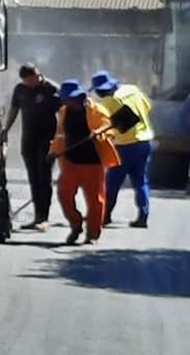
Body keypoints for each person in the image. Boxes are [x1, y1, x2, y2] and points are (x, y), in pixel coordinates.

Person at [48, 79, 121, 245]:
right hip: (70, 162)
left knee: (96, 201)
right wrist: (53, 152)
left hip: (93, 163)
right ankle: (76, 224)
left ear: (76, 97)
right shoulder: (64, 111)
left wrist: (99, 134)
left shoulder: (97, 110)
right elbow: (60, 135)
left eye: (65, 98)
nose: (63, 101)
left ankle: (93, 234)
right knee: (63, 194)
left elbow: (109, 130)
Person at [89, 70, 154, 228]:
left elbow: (103, 124)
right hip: (145, 141)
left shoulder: (107, 103)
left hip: (126, 145)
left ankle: (105, 215)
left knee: (112, 182)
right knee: (140, 180)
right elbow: (148, 107)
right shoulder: (133, 90)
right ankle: (143, 216)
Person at [1, 63, 60, 231]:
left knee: (44, 177)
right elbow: (14, 109)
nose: (32, 83)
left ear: (38, 75)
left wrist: (62, 139)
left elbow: (65, 113)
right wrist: (6, 130)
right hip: (29, 139)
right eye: (28, 81)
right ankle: (36, 217)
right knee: (33, 178)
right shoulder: (20, 89)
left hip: (47, 139)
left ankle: (44, 218)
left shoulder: (51, 89)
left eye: (34, 79)